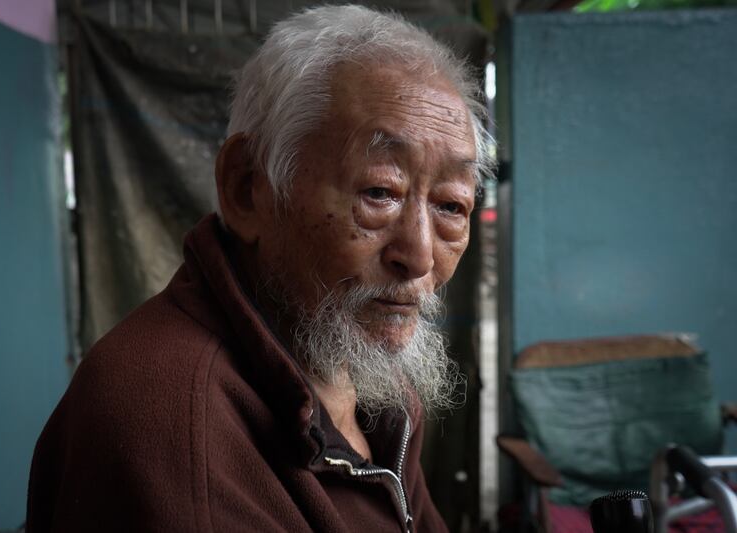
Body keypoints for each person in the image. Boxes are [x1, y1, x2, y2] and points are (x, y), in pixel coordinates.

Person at [27, 5, 493, 532]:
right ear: (248, 188)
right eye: (380, 192)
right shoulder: (175, 432)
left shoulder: (370, 382)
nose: (421, 256)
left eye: (451, 205)